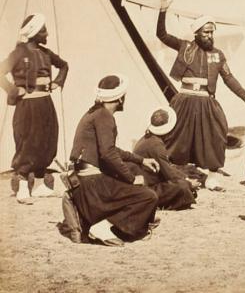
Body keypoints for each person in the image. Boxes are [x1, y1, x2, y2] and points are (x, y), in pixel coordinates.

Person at [156, 0, 245, 191]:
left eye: (212, 32)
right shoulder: (184, 47)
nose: (210, 36)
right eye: (206, 32)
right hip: (184, 99)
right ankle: (170, 173)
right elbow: (162, 35)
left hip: (206, 100)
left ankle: (211, 176)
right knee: (174, 136)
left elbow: (228, 78)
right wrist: (163, 11)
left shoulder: (218, 55)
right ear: (197, 34)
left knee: (217, 133)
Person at [70, 74, 160, 246]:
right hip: (93, 184)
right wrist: (132, 179)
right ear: (120, 98)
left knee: (133, 173)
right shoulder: (104, 116)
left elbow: (111, 150)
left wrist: (141, 160)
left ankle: (132, 222)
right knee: (149, 197)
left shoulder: (94, 113)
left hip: (83, 183)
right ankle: (104, 227)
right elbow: (108, 154)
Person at [0, 13, 69, 204]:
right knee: (28, 142)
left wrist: (57, 82)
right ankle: (23, 188)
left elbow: (64, 66)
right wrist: (13, 90)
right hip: (27, 105)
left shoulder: (46, 53)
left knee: (47, 141)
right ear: (34, 32)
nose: (46, 33)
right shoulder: (19, 53)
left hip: (46, 103)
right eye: (42, 30)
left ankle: (39, 186)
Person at [132, 107, 197, 210]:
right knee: (182, 186)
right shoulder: (156, 145)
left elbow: (166, 166)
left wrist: (184, 177)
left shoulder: (146, 138)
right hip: (147, 188)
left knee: (182, 181)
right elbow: (169, 174)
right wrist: (189, 182)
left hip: (141, 184)